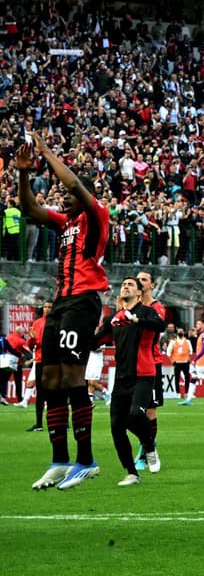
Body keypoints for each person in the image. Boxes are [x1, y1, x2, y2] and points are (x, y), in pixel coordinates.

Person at [18, 133, 112, 491]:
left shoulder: (97, 215)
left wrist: (46, 152)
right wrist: (25, 174)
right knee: (50, 379)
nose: (63, 197)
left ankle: (86, 460)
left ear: (85, 197)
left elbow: (73, 181)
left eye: (69, 196)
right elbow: (29, 209)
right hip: (60, 303)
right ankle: (60, 459)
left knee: (74, 378)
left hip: (84, 301)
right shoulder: (66, 224)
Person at [96, 278, 165, 485]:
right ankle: (132, 473)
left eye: (130, 285)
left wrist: (136, 320)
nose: (125, 286)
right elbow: (97, 340)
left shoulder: (146, 311)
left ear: (138, 293)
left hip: (144, 374)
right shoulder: (114, 318)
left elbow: (160, 325)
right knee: (117, 426)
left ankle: (149, 447)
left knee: (136, 413)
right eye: (123, 284)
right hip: (121, 378)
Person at [131, 272, 166, 471]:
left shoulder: (156, 308)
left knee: (149, 410)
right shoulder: (129, 307)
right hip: (130, 365)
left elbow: (154, 328)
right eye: (138, 279)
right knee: (129, 413)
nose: (140, 282)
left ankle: (146, 452)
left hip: (151, 363)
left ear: (151, 285)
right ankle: (148, 442)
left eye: (144, 279)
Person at [20, 299, 53, 429]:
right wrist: (32, 338)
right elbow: (31, 345)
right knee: (40, 393)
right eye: (45, 307)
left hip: (53, 362)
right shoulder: (37, 323)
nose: (47, 309)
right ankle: (39, 423)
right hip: (40, 360)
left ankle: (61, 423)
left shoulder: (58, 322)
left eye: (50, 307)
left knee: (55, 392)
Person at [167, 326, 192, 399]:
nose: (180, 333)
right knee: (177, 378)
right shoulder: (173, 342)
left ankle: (186, 393)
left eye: (181, 331)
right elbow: (168, 352)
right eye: (179, 332)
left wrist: (188, 359)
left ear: (183, 333)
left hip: (185, 362)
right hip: (177, 362)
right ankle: (178, 393)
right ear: (177, 333)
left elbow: (191, 351)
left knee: (187, 378)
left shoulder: (187, 341)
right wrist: (172, 361)